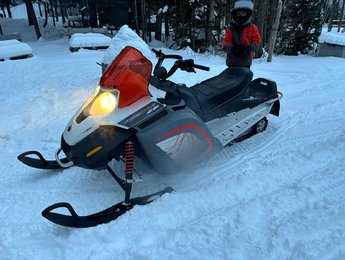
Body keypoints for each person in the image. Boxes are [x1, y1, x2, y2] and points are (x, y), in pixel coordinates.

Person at [222, 0, 261, 68]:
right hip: (232, 63)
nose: (241, 15)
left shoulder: (253, 28)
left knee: (246, 77)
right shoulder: (230, 28)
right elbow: (225, 43)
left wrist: (249, 48)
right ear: (236, 14)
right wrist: (233, 48)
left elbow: (257, 42)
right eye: (239, 13)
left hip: (246, 62)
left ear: (247, 14)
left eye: (243, 13)